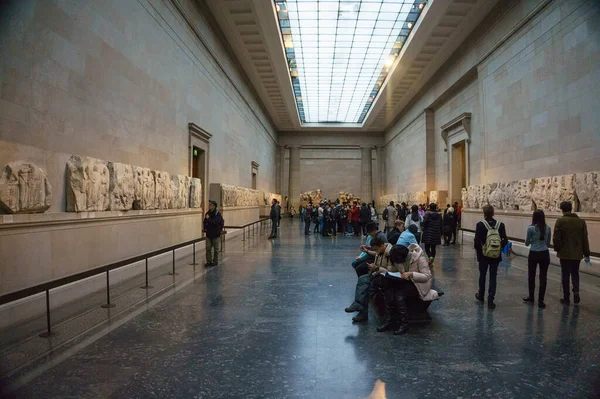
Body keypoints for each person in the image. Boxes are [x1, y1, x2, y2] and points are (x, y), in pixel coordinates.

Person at [372, 244, 439, 335]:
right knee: (388, 292)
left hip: (418, 284)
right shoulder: (398, 258)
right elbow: (394, 270)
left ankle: (404, 324)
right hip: (405, 281)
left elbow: (426, 277)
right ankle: (389, 321)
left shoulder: (419, 259)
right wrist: (382, 269)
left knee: (399, 296)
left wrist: (411, 274)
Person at [345, 238, 392, 323]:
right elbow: (377, 259)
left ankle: (361, 310)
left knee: (366, 286)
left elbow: (391, 271)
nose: (376, 252)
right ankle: (358, 305)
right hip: (377, 274)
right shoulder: (380, 250)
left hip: (386, 277)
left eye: (376, 250)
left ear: (382, 245)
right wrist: (373, 266)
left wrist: (377, 268)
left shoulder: (390, 253)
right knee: (362, 279)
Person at [553, 201, 590, 305]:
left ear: (562, 209)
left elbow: (556, 238)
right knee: (575, 273)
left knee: (565, 275)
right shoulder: (581, 222)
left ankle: (566, 297)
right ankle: (576, 292)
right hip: (577, 254)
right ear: (571, 208)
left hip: (564, 253)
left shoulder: (560, 221)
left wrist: (558, 249)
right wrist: (586, 253)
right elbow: (584, 239)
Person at [474, 205, 508, 309]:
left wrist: (480, 253)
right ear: (493, 213)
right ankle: (490, 300)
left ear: (484, 213)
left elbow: (476, 241)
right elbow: (505, 240)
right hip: (495, 256)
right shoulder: (500, 225)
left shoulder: (480, 225)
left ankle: (481, 295)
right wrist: (498, 249)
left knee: (482, 275)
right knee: (493, 277)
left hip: (483, 255)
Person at [523, 210, 552, 309]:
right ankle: (541, 301)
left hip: (534, 253)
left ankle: (531, 296)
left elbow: (527, 243)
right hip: (544, 253)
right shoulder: (548, 228)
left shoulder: (531, 228)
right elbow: (548, 244)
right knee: (543, 277)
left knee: (531, 275)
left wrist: (532, 240)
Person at [203, 200, 224, 267]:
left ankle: (215, 261)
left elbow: (215, 223)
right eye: (209, 205)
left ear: (214, 206)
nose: (209, 206)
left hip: (215, 234)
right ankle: (209, 261)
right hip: (209, 234)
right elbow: (205, 222)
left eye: (211, 205)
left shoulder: (217, 214)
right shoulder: (207, 213)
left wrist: (209, 219)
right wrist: (205, 229)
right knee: (208, 248)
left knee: (216, 249)